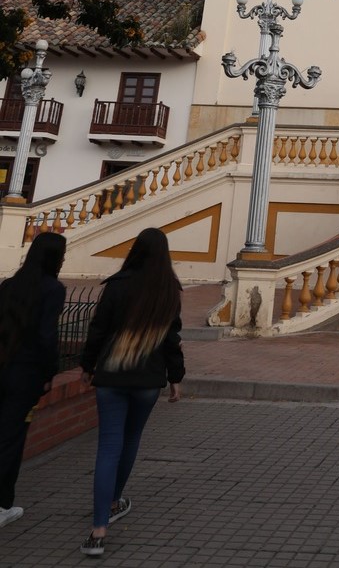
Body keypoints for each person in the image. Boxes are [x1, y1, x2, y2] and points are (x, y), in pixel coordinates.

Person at [79, 227, 184, 557]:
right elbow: (171, 340)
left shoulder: (117, 285)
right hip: (147, 379)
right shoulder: (169, 290)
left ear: (135, 251)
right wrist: (176, 377)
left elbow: (98, 330)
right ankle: (113, 501)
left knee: (108, 447)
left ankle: (98, 530)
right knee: (130, 440)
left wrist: (87, 365)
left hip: (112, 375)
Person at [0, 232, 67, 528]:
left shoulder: (10, 285)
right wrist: (49, 372)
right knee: (11, 439)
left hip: (3, 366)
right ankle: (2, 503)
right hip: (25, 374)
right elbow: (46, 336)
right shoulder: (52, 289)